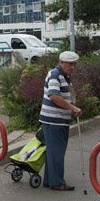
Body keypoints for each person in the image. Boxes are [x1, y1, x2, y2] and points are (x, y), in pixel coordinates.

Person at [39, 50, 82, 191]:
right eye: (70, 64)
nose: (73, 67)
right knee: (57, 151)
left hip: (57, 119)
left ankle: (50, 180)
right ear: (62, 62)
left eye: (74, 64)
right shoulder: (55, 75)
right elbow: (54, 96)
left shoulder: (63, 75)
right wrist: (71, 107)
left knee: (54, 151)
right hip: (53, 119)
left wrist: (71, 107)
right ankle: (57, 182)